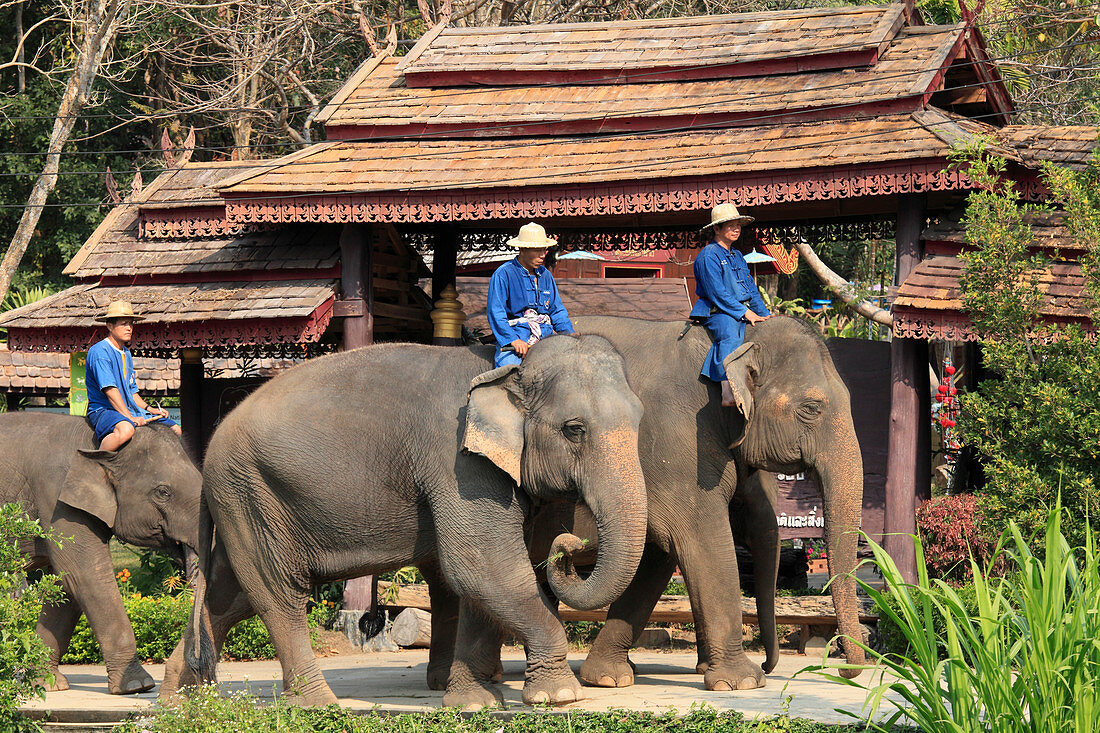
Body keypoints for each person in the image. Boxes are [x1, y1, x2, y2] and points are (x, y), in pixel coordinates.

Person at [690, 203, 771, 407]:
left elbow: (751, 290)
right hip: (719, 311)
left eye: (738, 225)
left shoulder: (737, 256)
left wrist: (764, 314)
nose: (736, 229)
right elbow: (717, 293)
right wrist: (745, 312)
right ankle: (728, 391)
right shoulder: (708, 255)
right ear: (716, 229)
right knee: (729, 331)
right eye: (730, 225)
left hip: (742, 310)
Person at [85, 301, 181, 450]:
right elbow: (110, 390)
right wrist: (129, 418)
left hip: (129, 410)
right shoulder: (100, 352)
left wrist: (150, 409)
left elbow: (131, 392)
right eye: (124, 324)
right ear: (109, 326)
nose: (129, 328)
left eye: (131, 324)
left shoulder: (126, 353)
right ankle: (96, 464)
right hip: (104, 410)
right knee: (126, 430)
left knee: (176, 429)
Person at [486, 222, 575, 367]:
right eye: (537, 250)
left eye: (544, 250)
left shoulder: (546, 275)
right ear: (522, 249)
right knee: (509, 369)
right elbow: (496, 312)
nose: (542, 255)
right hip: (517, 336)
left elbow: (556, 309)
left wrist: (568, 333)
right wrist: (513, 340)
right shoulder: (503, 274)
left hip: (546, 337)